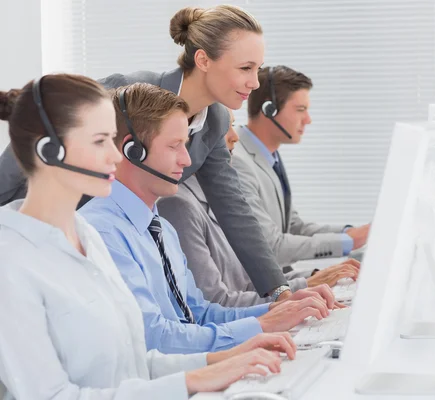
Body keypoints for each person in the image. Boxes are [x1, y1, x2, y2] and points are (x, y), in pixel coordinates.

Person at [0, 74, 298, 399]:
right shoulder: (12, 263)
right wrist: (193, 379)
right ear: (51, 151)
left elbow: (131, 363)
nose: (116, 156)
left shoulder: (85, 236)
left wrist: (219, 363)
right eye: (101, 141)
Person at [0, 5, 292, 301]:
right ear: (203, 59)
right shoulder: (127, 92)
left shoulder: (214, 120)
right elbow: (38, 132)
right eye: (245, 68)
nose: (255, 82)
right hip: (34, 228)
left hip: (100, 246)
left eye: (258, 69)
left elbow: (233, 208)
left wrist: (279, 291)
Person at [80, 83, 335, 355]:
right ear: (131, 150)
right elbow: (153, 337)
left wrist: (279, 309)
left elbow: (198, 314)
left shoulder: (162, 228)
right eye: (174, 146)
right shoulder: (100, 233)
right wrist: (261, 326)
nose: (187, 159)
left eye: (186, 145)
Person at [158, 108, 360, 306]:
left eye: (233, 126)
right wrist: (301, 291)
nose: (235, 137)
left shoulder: (222, 197)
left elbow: (251, 284)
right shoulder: (179, 206)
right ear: (193, 139)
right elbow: (216, 302)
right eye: (224, 129)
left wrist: (316, 277)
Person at [232, 65, 371, 268]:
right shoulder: (238, 162)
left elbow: (293, 226)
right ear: (268, 110)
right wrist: (350, 242)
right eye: (300, 110)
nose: (308, 119)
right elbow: (271, 246)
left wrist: (350, 232)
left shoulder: (269, 157)